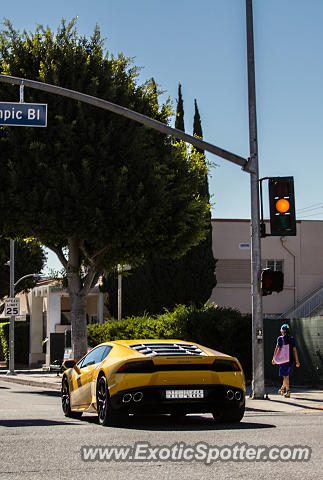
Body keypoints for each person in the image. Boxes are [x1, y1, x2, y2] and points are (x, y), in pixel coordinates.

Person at [272, 323, 300, 398]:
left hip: (283, 360)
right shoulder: (292, 338)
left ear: (282, 331)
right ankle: (282, 389)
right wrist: (297, 361)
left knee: (285, 376)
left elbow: (276, 348)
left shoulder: (280, 338)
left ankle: (288, 392)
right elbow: (294, 350)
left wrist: (273, 358)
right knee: (286, 376)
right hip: (291, 360)